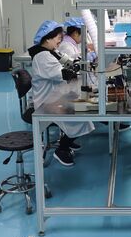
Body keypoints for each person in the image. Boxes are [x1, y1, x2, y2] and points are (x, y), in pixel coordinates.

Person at [28, 20, 95, 167]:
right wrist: (78, 68)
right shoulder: (42, 57)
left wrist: (81, 61)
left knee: (83, 109)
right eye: (58, 38)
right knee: (82, 117)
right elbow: (62, 74)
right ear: (47, 38)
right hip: (47, 102)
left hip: (55, 95)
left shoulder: (52, 51)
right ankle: (62, 149)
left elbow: (69, 61)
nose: (60, 40)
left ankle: (68, 140)